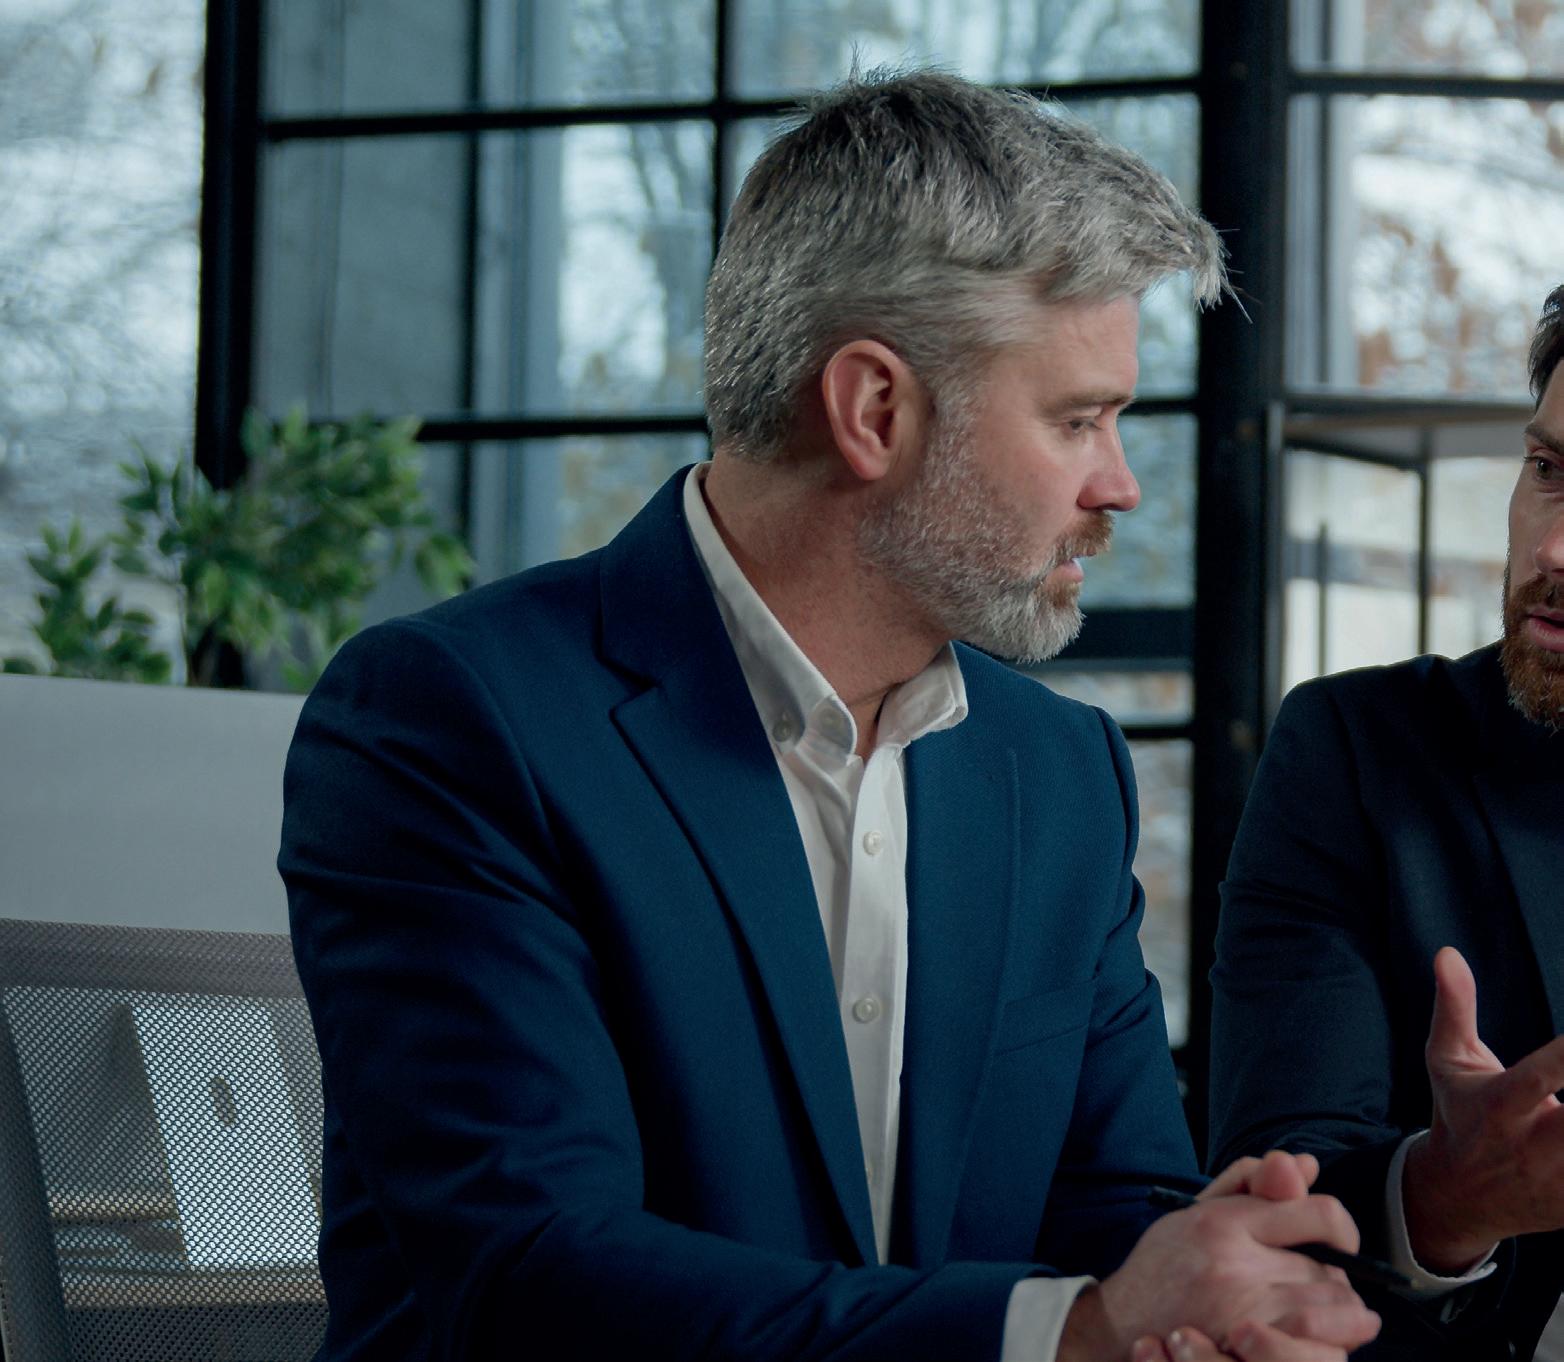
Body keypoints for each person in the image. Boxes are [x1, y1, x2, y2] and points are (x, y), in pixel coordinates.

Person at [281, 69, 1380, 1362]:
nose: (1120, 484)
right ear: (874, 410)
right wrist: (1074, 1333)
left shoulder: (1058, 771)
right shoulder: (453, 724)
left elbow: (1113, 1214)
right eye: (1078, 419)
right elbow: (534, 1275)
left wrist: (1210, 1290)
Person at [1209, 283, 1564, 1361]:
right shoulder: (1361, 754)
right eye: (1549, 471)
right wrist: (1446, 1198)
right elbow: (1276, 1194)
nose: (1555, 551)